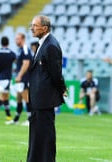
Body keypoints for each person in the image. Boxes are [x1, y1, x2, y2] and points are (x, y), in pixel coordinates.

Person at [27, 15, 66, 162]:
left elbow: (55, 72)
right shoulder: (43, 43)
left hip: (45, 98)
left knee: (45, 134)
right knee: (37, 133)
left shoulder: (51, 45)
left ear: (45, 28)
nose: (32, 28)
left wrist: (61, 87)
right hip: (39, 98)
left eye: (35, 25)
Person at [6, 33, 32, 126]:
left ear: (23, 39)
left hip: (25, 78)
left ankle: (30, 119)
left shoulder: (25, 49)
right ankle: (16, 119)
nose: (16, 41)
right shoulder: (20, 50)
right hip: (20, 78)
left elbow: (26, 63)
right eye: (16, 39)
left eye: (18, 39)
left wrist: (20, 75)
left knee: (26, 98)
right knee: (19, 98)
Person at [0, 36, 16, 121]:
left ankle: (8, 115)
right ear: (8, 43)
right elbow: (17, 62)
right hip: (6, 78)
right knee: (2, 97)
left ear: (1, 43)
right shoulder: (11, 53)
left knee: (6, 97)